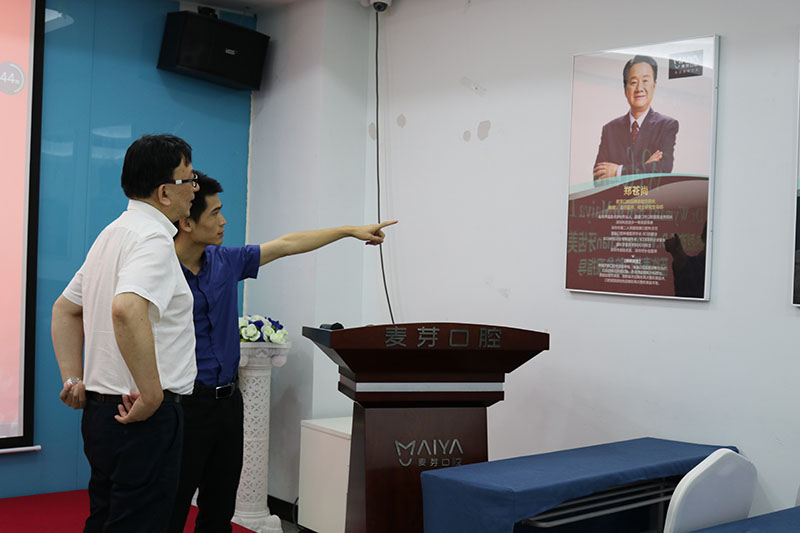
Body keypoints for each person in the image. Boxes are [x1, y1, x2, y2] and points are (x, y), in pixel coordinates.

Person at [168, 172, 397, 532]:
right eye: (214, 213)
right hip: (182, 406)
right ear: (186, 223)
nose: (223, 221)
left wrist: (348, 231)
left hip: (227, 404)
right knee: (171, 505)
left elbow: (287, 244)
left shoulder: (225, 261)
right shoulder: (160, 272)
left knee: (219, 506)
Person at [51, 134, 200, 532]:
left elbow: (65, 309)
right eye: (189, 179)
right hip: (142, 416)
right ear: (164, 192)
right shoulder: (153, 239)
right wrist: (152, 394)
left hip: (102, 414)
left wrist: (72, 379)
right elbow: (126, 309)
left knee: (105, 519)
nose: (195, 189)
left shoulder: (112, 233)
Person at [593, 55, 679, 181]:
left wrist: (618, 171)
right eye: (633, 82)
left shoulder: (667, 125)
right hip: (620, 196)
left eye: (645, 81)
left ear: (654, 85)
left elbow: (662, 170)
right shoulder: (610, 129)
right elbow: (598, 177)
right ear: (625, 89)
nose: (639, 88)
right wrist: (646, 166)